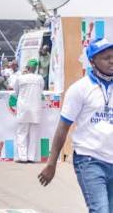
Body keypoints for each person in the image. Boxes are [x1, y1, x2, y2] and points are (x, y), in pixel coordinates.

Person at [39, 38, 113, 212]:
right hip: (90, 159)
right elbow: (62, 128)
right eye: (106, 57)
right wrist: (51, 163)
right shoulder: (80, 89)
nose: (112, 61)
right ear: (93, 61)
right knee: (101, 210)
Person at [13, 59, 44, 163]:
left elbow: (16, 91)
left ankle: (22, 157)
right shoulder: (40, 78)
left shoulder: (21, 78)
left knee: (22, 133)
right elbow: (41, 90)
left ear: (27, 67)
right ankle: (31, 157)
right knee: (33, 134)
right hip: (35, 108)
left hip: (23, 108)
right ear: (35, 68)